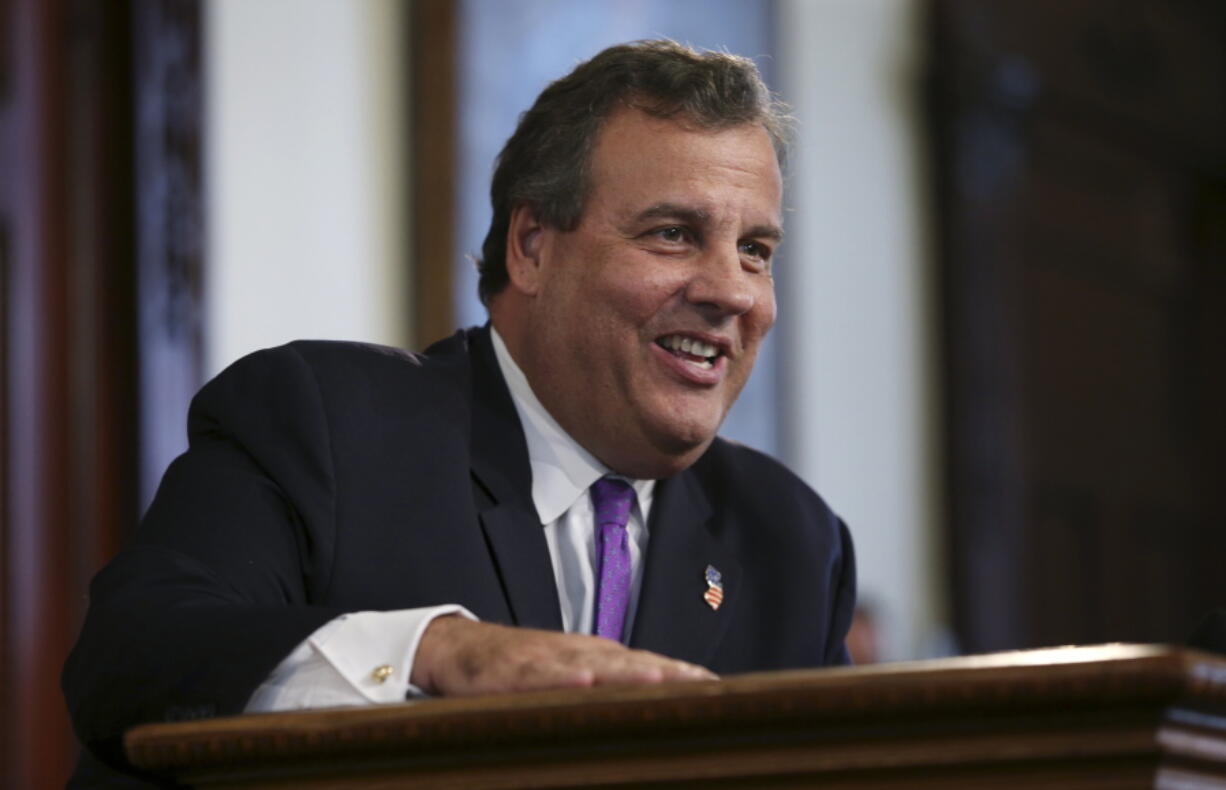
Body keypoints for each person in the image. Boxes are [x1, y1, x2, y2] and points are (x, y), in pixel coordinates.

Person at [63, 39, 856, 785]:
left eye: (757, 250)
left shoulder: (792, 541)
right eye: (674, 234)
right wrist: (436, 653)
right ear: (532, 246)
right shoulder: (325, 424)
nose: (734, 291)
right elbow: (132, 657)